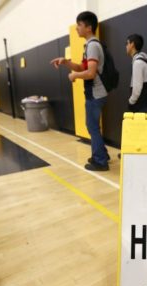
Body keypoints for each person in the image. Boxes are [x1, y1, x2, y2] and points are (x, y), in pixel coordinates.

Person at [51, 11, 109, 171]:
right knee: (93, 126)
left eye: (79, 25)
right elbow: (82, 67)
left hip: (96, 94)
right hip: (96, 93)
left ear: (88, 27)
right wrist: (66, 62)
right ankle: (102, 154)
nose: (77, 28)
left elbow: (90, 73)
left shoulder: (93, 46)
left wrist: (75, 75)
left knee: (92, 127)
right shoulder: (90, 45)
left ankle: (100, 161)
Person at [126, 34, 147, 113]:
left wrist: (131, 101)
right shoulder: (143, 59)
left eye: (127, 43)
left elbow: (137, 87)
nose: (126, 46)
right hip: (144, 102)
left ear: (132, 44)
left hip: (139, 104)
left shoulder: (138, 62)